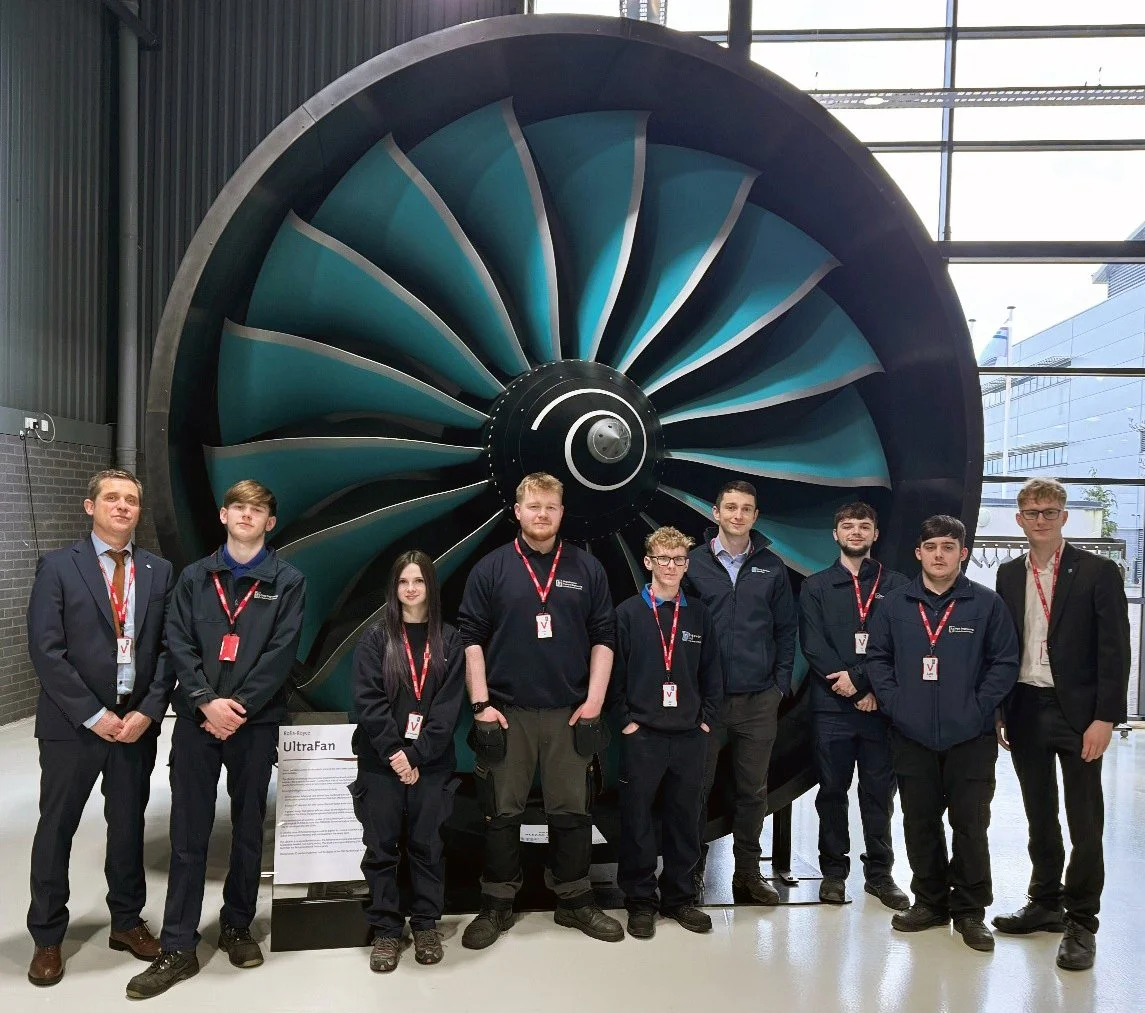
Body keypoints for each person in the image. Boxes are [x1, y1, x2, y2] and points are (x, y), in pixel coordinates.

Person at [127, 480, 305, 999]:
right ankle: (178, 945)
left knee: (248, 829)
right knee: (189, 833)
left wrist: (237, 708)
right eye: (238, 508)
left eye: (258, 510)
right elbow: (177, 642)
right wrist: (206, 701)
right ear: (224, 515)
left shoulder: (289, 582)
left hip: (254, 723)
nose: (247, 516)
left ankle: (237, 925)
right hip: (196, 722)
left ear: (270, 522)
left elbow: (281, 652)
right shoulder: (193, 578)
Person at [458, 472, 620, 948]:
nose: (542, 514)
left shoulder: (587, 568)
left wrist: (594, 701)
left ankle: (574, 900)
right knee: (500, 813)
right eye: (534, 506)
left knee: (573, 811)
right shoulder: (491, 569)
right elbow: (471, 639)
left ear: (562, 512)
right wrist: (481, 704)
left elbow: (604, 636)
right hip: (507, 713)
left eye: (551, 506)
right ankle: (496, 904)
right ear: (518, 511)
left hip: (569, 713)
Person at [25, 469, 174, 987]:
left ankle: (127, 921)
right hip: (73, 725)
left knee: (128, 826)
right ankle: (47, 935)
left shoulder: (158, 570)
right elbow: (46, 650)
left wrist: (147, 712)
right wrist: (94, 714)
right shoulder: (57, 567)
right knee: (57, 828)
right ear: (90, 506)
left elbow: (168, 650)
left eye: (131, 499)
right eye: (111, 497)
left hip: (134, 725)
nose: (122, 506)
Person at [991, 478, 1130, 971]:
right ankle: (1046, 902)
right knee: (1039, 814)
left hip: (1079, 714)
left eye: (1050, 511)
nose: (1041, 520)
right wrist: (1002, 710)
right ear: (1019, 520)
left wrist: (1105, 718)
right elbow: (1003, 647)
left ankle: (1082, 921)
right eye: (1032, 512)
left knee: (1085, 821)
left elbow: (1115, 650)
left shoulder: (1098, 571)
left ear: (1064, 517)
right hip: (1026, 706)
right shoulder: (1009, 574)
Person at [865, 515, 1018, 952]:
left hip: (970, 736)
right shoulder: (895, 604)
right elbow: (878, 658)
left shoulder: (985, 604)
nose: (939, 555)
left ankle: (970, 910)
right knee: (919, 821)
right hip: (911, 734)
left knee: (970, 823)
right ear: (918, 553)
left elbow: (1004, 662)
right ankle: (930, 902)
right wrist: (897, 705)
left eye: (948, 547)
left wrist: (977, 707)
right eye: (931, 547)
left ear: (962, 553)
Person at [349, 550, 465, 972]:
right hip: (381, 764)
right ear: (393, 588)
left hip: (430, 765)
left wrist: (417, 754)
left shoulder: (449, 640)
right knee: (381, 848)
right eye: (403, 581)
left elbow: (448, 708)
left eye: (418, 581)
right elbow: (368, 700)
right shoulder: (376, 638)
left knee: (427, 847)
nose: (411, 589)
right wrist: (396, 753)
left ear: (431, 586)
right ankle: (385, 929)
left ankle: (426, 924)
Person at [686, 480, 797, 905]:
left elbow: (786, 629)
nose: (737, 515)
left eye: (746, 508)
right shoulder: (693, 563)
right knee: (696, 788)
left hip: (757, 701)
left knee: (753, 792)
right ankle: (692, 871)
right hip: (707, 702)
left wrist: (779, 685)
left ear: (755, 516)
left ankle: (747, 874)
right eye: (730, 507)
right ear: (715, 512)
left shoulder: (772, 566)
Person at [612, 527, 723, 939]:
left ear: (687, 564)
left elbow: (712, 671)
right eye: (663, 558)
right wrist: (626, 719)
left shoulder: (699, 614)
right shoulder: (627, 613)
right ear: (648, 562)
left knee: (685, 820)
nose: (671, 566)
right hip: (643, 735)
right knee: (637, 821)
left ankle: (679, 898)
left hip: (689, 736)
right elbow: (614, 673)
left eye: (678, 559)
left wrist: (705, 717)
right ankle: (640, 901)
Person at [798, 502, 909, 909]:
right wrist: (852, 687)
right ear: (836, 534)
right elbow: (813, 645)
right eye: (848, 526)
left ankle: (880, 875)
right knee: (832, 793)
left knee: (879, 794)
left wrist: (865, 684)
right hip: (832, 707)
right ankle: (833, 873)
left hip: (881, 707)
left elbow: (901, 644)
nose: (856, 532)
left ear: (875, 534)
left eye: (864, 526)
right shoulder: (815, 586)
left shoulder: (897, 585)